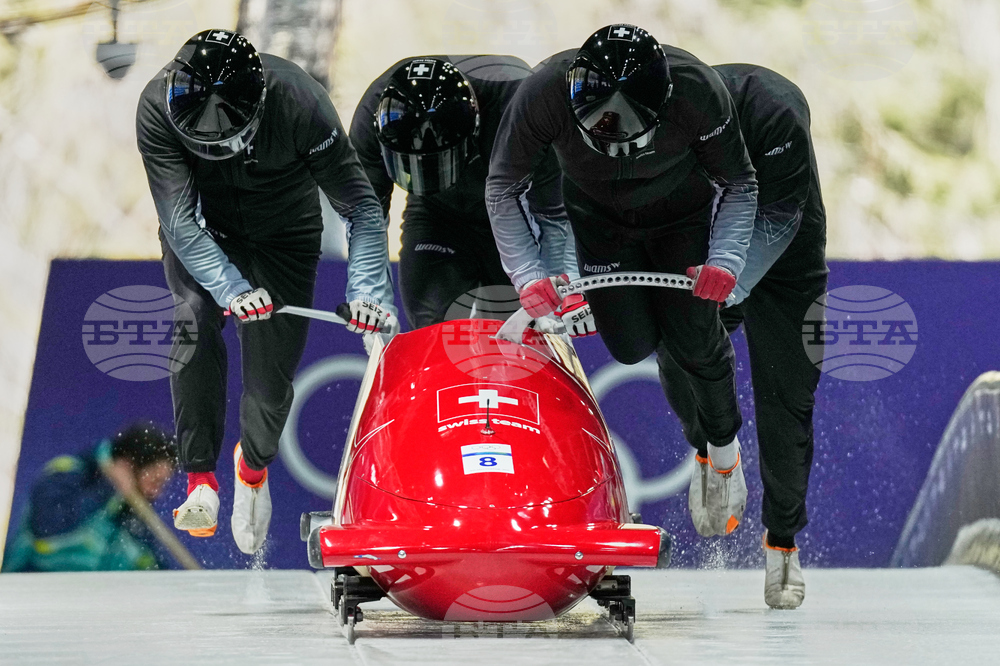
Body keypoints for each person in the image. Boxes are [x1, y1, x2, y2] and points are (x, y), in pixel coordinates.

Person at [486, 25, 758, 536]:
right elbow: (503, 186)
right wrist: (527, 273)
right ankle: (701, 438)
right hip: (599, 223)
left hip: (680, 218)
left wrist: (725, 259)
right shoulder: (543, 94)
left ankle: (723, 452)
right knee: (631, 347)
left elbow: (739, 181)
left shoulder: (699, 89)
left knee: (693, 336)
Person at [136, 29, 386, 554]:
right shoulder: (156, 109)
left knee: (269, 386)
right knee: (192, 316)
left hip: (283, 237)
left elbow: (362, 208)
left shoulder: (301, 103)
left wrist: (366, 290)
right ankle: (200, 480)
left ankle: (251, 469)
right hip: (203, 229)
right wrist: (230, 289)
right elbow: (179, 223)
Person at [657, 63, 828, 609]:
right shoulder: (669, 115)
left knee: (789, 402)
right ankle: (710, 451)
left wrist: (724, 290)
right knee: (678, 348)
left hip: (789, 249)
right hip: (710, 240)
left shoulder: (777, 115)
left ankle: (783, 541)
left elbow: (779, 218)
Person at [349, 55, 589, 332]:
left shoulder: (524, 108)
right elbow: (367, 218)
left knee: (526, 330)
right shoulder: (370, 119)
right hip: (436, 216)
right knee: (433, 328)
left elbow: (554, 220)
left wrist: (559, 292)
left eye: (440, 164)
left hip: (516, 219)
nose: (429, 174)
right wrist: (371, 299)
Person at [2, 423, 177, 572]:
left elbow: (147, 560)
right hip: (29, 589)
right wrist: (108, 486)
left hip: (83, 595)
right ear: (127, 465)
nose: (156, 492)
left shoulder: (125, 507)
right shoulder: (67, 473)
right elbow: (48, 526)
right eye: (155, 481)